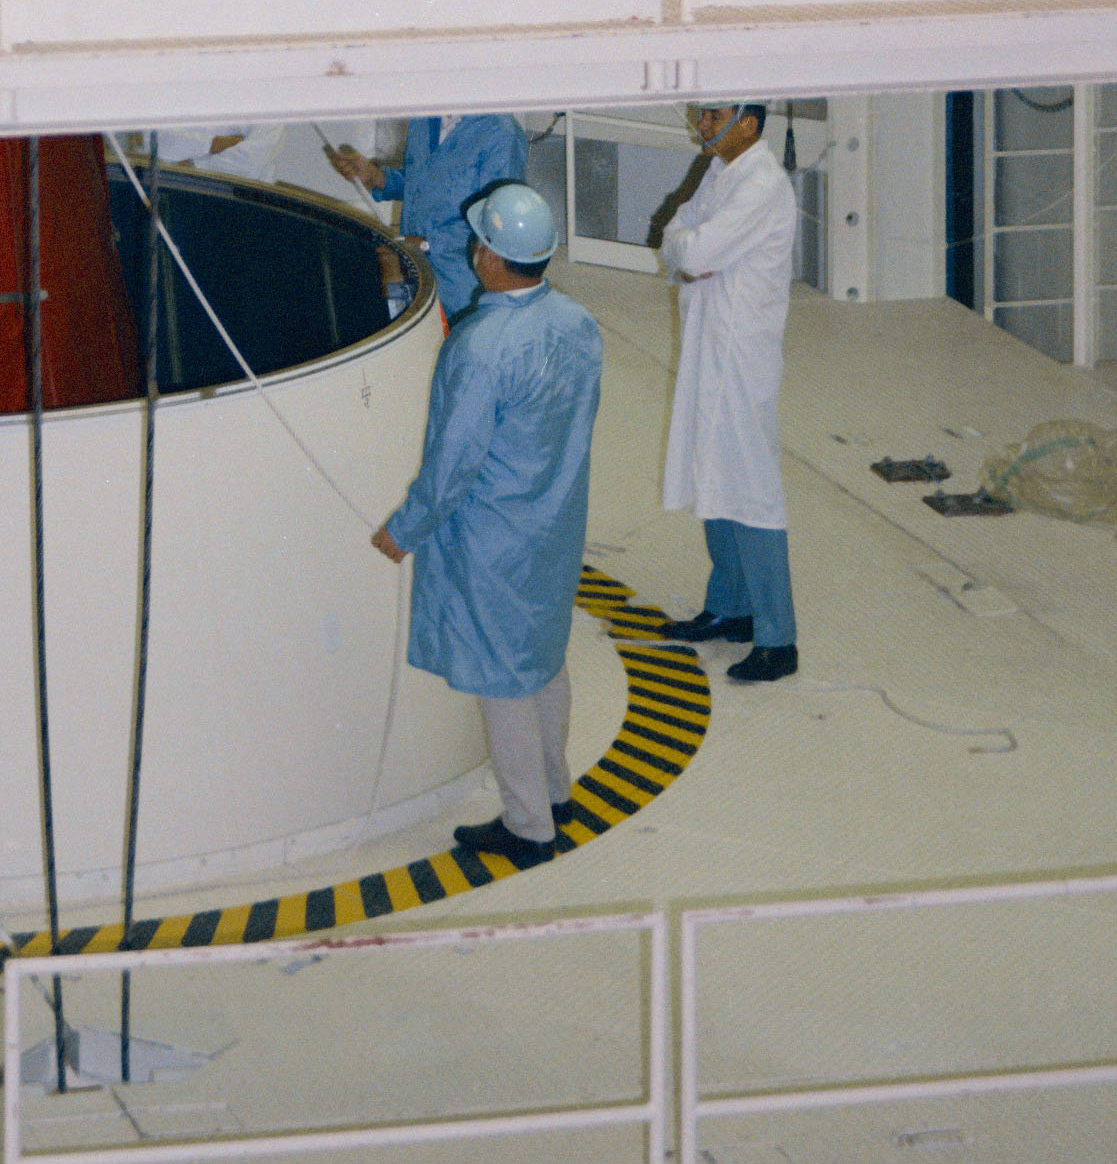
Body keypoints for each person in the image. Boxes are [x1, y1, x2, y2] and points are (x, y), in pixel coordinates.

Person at [373, 177, 605, 863]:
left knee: (502, 683)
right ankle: (557, 791)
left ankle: (529, 826)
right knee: (542, 659)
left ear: (487, 257)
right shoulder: (577, 323)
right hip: (554, 523)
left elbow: (451, 467)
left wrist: (402, 531)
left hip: (491, 538)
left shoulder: (478, 348)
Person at [654, 100, 801, 682]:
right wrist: (689, 252)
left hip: (740, 355)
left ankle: (779, 639)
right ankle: (731, 607)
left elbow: (692, 249)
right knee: (712, 469)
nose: (703, 125)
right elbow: (674, 235)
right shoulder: (720, 170)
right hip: (708, 346)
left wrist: (690, 252)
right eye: (701, 114)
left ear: (750, 122)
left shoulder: (761, 183)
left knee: (752, 485)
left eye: (715, 115)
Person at [327, 111, 530, 322]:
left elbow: (501, 226)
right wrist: (376, 176)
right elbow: (427, 183)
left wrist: (427, 244)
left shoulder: (501, 133)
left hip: (466, 292)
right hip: (418, 279)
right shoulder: (423, 119)